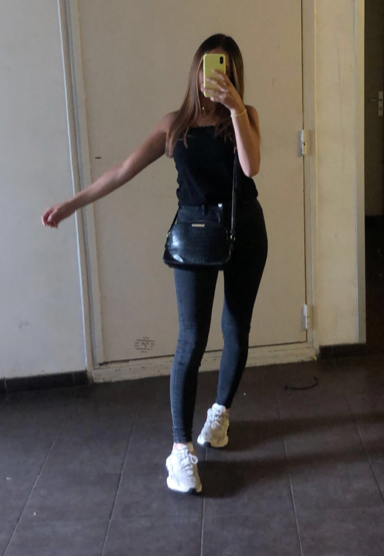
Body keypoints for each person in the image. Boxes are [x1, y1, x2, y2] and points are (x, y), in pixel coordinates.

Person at [41, 33, 268, 496]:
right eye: (209, 67)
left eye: (225, 68)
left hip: (245, 229)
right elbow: (122, 171)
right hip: (194, 237)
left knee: (236, 328)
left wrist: (235, 109)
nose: (215, 76)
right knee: (191, 338)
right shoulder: (174, 125)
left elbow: (251, 168)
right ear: (196, 70)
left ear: (234, 74)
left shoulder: (244, 115)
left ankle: (219, 415)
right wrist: (71, 204)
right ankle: (180, 450)